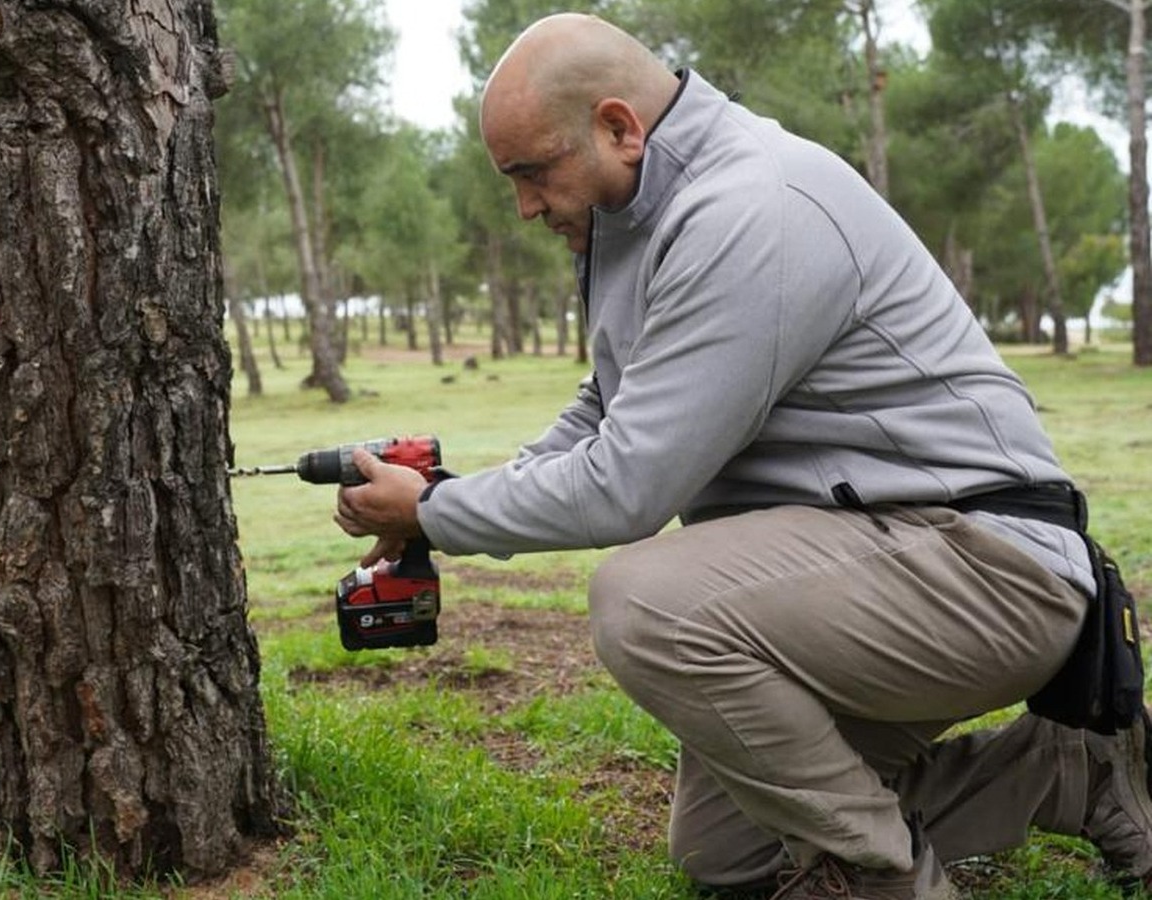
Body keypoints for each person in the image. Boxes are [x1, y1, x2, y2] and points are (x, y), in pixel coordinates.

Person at [332, 12, 1152, 900]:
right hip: (873, 561)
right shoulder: (643, 212)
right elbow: (609, 407)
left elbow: (627, 488)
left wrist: (434, 514)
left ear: (619, 126)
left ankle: (884, 880)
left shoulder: (753, 206)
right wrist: (447, 494)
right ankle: (1074, 772)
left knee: (646, 602)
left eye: (533, 172)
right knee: (731, 855)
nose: (527, 206)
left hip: (987, 564)